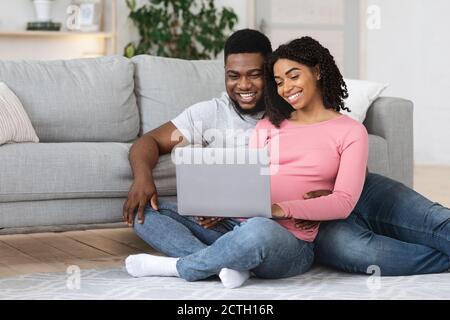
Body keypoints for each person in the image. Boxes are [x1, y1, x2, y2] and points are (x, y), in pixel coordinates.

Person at [123, 29, 450, 279]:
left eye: (258, 75)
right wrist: (220, 207)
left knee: (428, 222)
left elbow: (341, 195)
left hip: (304, 220)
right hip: (250, 223)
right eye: (280, 80)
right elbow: (247, 182)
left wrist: (282, 206)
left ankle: (188, 267)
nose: (245, 84)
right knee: (145, 213)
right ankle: (229, 264)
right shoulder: (260, 123)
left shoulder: (345, 129)